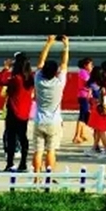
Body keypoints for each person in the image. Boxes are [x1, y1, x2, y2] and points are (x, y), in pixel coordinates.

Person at [33, 35, 69, 173]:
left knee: (38, 151)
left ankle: (36, 178)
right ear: (55, 72)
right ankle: (48, 177)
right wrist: (66, 46)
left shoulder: (38, 79)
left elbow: (41, 62)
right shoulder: (59, 82)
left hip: (39, 120)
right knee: (51, 151)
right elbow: (64, 64)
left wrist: (49, 43)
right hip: (54, 121)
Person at [0, 50, 36, 172]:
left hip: (13, 110)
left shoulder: (16, 79)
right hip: (24, 112)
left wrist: (5, 68)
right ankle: (23, 162)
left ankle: (10, 163)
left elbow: (1, 81)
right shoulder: (31, 79)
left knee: (11, 137)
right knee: (23, 137)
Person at [86, 66, 106, 155]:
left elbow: (89, 97)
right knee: (99, 129)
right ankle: (95, 147)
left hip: (97, 108)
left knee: (100, 129)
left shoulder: (92, 84)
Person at [73, 57, 93, 144]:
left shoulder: (85, 72)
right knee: (83, 116)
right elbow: (89, 82)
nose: (91, 66)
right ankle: (77, 136)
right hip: (83, 95)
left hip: (85, 96)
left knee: (83, 115)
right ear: (85, 65)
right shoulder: (83, 72)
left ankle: (81, 134)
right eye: (90, 65)